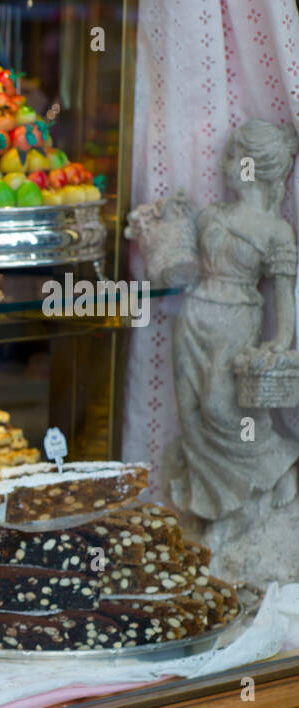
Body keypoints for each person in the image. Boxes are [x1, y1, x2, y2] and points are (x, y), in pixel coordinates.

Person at [168, 119, 299, 520]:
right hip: (192, 318)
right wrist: (170, 218)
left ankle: (278, 465)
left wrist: (281, 341)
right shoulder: (213, 215)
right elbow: (179, 257)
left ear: (252, 166)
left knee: (222, 410)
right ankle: (217, 506)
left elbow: (284, 294)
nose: (225, 164)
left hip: (236, 325)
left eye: (234, 157)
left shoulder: (276, 231)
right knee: (190, 415)